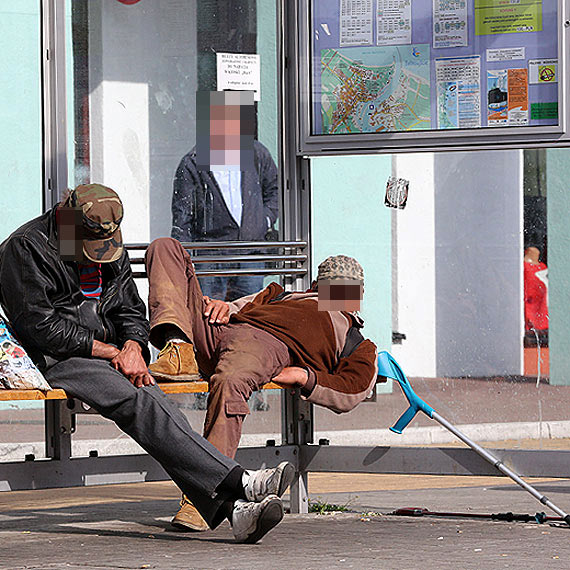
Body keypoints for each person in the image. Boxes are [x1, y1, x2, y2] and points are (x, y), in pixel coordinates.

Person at [0, 183, 294, 544]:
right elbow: (40, 327)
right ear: (68, 220)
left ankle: (233, 512)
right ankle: (239, 481)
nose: (97, 255)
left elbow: (130, 311)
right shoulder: (26, 246)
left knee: (153, 403)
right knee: (139, 402)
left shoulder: (108, 245)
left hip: (111, 352)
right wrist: (113, 353)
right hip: (57, 356)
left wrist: (134, 347)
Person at [147, 237, 378, 531]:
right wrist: (224, 307)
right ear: (316, 286)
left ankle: (203, 495)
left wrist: (305, 377)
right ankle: (177, 344)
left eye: (346, 290)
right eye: (332, 287)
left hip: (261, 345)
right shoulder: (280, 294)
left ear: (357, 297)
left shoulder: (356, 340)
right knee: (165, 247)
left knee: (229, 382)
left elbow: (354, 388)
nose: (337, 295)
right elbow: (240, 306)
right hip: (224, 327)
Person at [172, 90, 279, 411]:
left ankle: (253, 385)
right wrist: (186, 261)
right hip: (209, 256)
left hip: (249, 254)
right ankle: (208, 386)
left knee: (250, 318)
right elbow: (181, 217)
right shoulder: (193, 162)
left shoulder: (256, 154)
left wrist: (265, 219)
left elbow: (274, 189)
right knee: (210, 322)